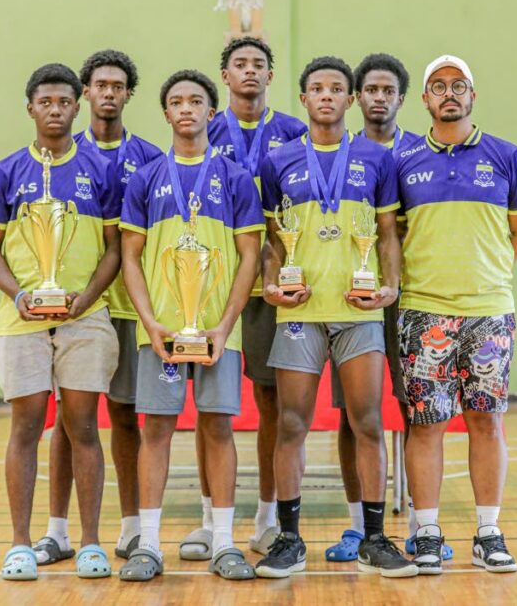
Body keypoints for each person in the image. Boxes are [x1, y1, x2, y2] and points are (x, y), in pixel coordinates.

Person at [255, 56, 417, 579]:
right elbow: (271, 241)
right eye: (316, 89)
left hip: (358, 310)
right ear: (302, 100)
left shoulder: (376, 158)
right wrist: (271, 286)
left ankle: (374, 537)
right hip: (300, 313)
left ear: (350, 100)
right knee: (291, 425)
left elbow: (388, 233)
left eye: (336, 89)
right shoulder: (277, 159)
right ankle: (289, 539)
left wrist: (389, 287)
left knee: (366, 421)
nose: (326, 96)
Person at [117, 70, 264, 582]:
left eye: (196, 101)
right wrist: (150, 322)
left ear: (211, 110)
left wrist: (226, 325)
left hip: (219, 330)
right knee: (155, 429)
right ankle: (149, 545)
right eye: (176, 101)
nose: (186, 108)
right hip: (159, 331)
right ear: (165, 113)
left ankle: (224, 542)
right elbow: (130, 258)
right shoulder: (145, 179)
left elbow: (250, 257)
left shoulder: (236, 178)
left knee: (218, 426)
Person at [397, 55, 517, 574]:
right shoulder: (405, 161)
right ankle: (428, 532)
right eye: (439, 86)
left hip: (489, 313)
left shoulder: (506, 156)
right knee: (427, 423)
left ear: (473, 96)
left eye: (459, 86)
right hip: (423, 311)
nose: (449, 94)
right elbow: (392, 235)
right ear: (426, 100)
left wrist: (488, 275)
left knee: (486, 420)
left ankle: (488, 531)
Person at [0, 63, 122, 580]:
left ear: (76, 106)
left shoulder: (100, 171)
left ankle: (89, 544)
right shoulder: (6, 171)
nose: (56, 110)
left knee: (83, 426)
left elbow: (113, 251)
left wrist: (86, 298)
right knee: (26, 425)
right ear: (31, 108)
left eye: (65, 102)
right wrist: (18, 294)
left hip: (86, 318)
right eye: (46, 102)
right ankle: (20, 544)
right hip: (22, 321)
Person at [31, 50, 164, 566]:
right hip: (74, 310)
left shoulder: (151, 159)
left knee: (126, 417)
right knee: (69, 420)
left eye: (117, 85)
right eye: (99, 85)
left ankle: (132, 528)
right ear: (85, 92)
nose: (108, 93)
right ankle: (57, 530)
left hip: (129, 310)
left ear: (129, 94)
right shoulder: (58, 156)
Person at [178, 37, 307, 561]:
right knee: (214, 411)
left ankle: (267, 516)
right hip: (215, 290)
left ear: (271, 77)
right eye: (239, 64)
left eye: (258, 64)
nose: (249, 71)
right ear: (224, 77)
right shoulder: (201, 132)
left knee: (273, 403)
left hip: (276, 288)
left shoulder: (294, 133)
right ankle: (211, 519)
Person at [323, 52, 453, 564]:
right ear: (357, 98)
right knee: (352, 416)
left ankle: (424, 529)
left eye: (388, 90)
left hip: (413, 299)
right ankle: (358, 528)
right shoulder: (339, 153)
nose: (379, 98)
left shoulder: (424, 154)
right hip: (351, 300)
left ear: (403, 99)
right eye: (370, 90)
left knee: (418, 407)